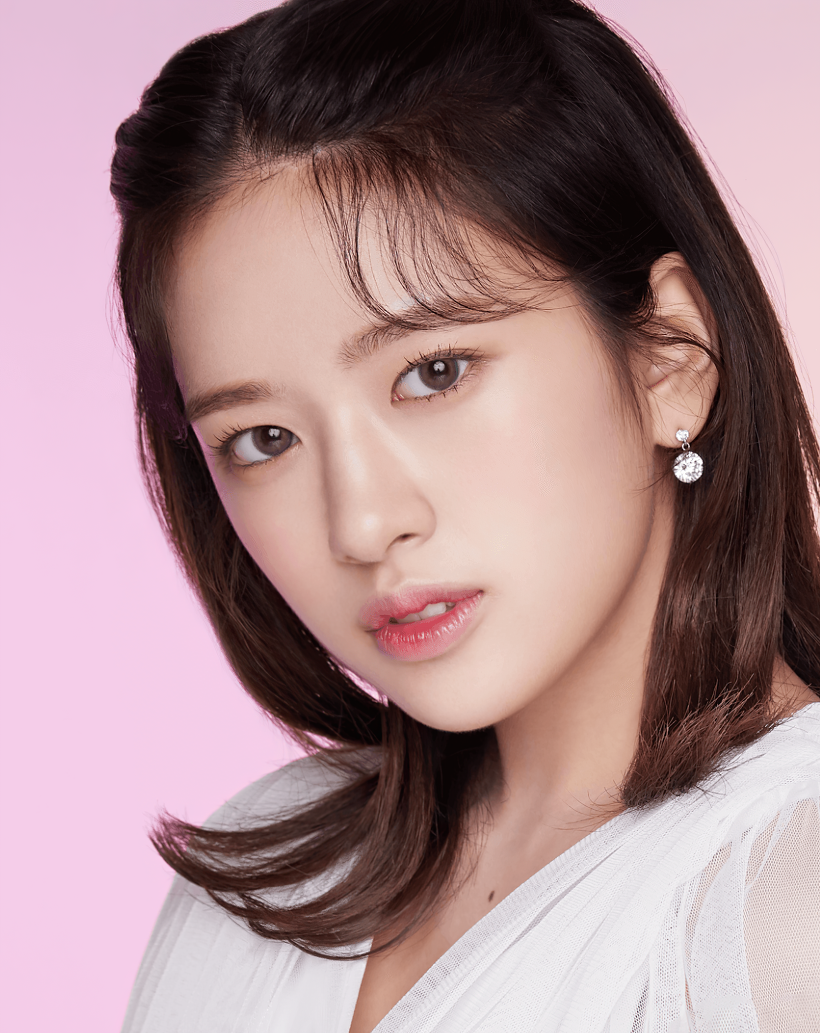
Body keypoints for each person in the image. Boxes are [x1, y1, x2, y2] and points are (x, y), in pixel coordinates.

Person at [111, 0, 820, 1029]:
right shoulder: (262, 878)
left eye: (434, 373)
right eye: (263, 438)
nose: (362, 524)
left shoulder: (787, 902)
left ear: (669, 355)